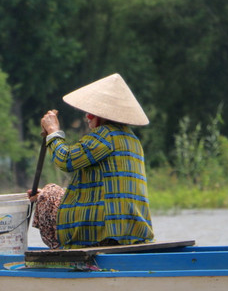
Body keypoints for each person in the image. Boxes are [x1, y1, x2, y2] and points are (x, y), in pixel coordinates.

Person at [31, 73, 154, 249]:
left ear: (105, 115)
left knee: (50, 194)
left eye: (92, 113)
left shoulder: (105, 135)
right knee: (48, 194)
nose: (87, 117)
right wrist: (41, 195)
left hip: (108, 229)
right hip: (133, 230)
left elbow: (65, 160)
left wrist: (53, 131)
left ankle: (66, 254)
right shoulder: (132, 140)